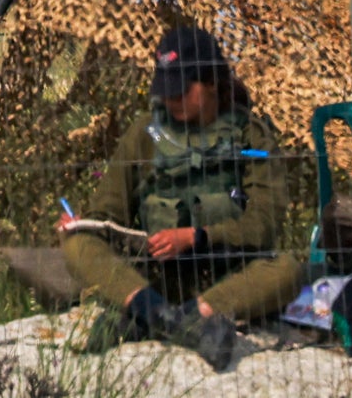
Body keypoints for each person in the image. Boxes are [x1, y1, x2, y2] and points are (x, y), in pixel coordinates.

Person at [56, 25, 304, 370]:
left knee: (289, 269)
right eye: (167, 91)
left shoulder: (252, 138)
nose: (172, 100)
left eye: (182, 91)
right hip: (153, 279)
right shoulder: (144, 134)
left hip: (225, 279)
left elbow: (263, 226)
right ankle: (172, 320)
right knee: (77, 244)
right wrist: (84, 224)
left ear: (212, 82)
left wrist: (196, 237)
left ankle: (163, 318)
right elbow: (108, 211)